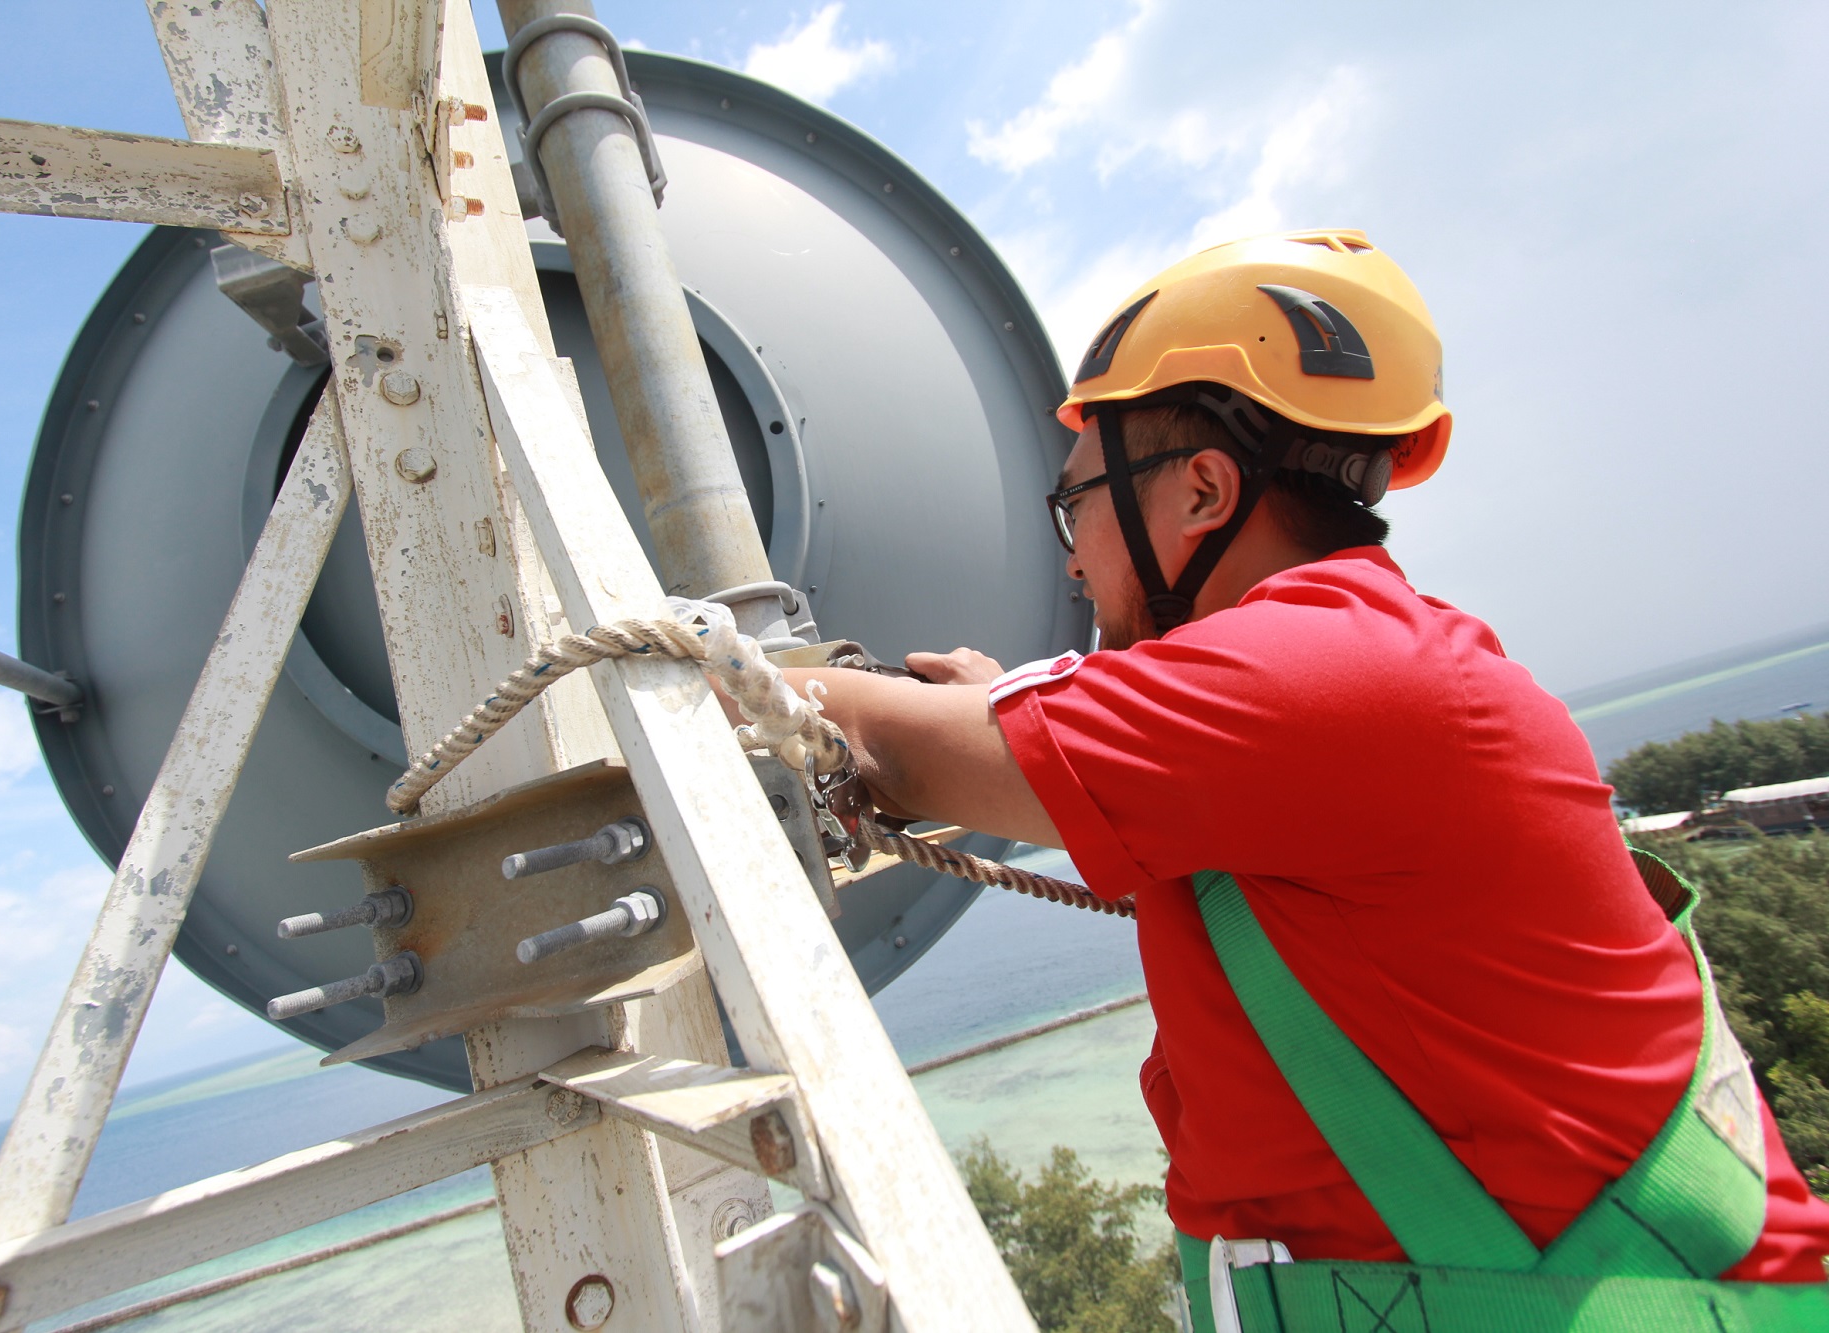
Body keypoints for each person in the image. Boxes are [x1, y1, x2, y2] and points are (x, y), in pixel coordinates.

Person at [776, 231, 1829, 1328]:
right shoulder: (1357, 666)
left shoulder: (1323, 680)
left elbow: (876, 745)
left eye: (1076, 502)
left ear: (1199, 490)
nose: (1072, 552)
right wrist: (1004, 702)